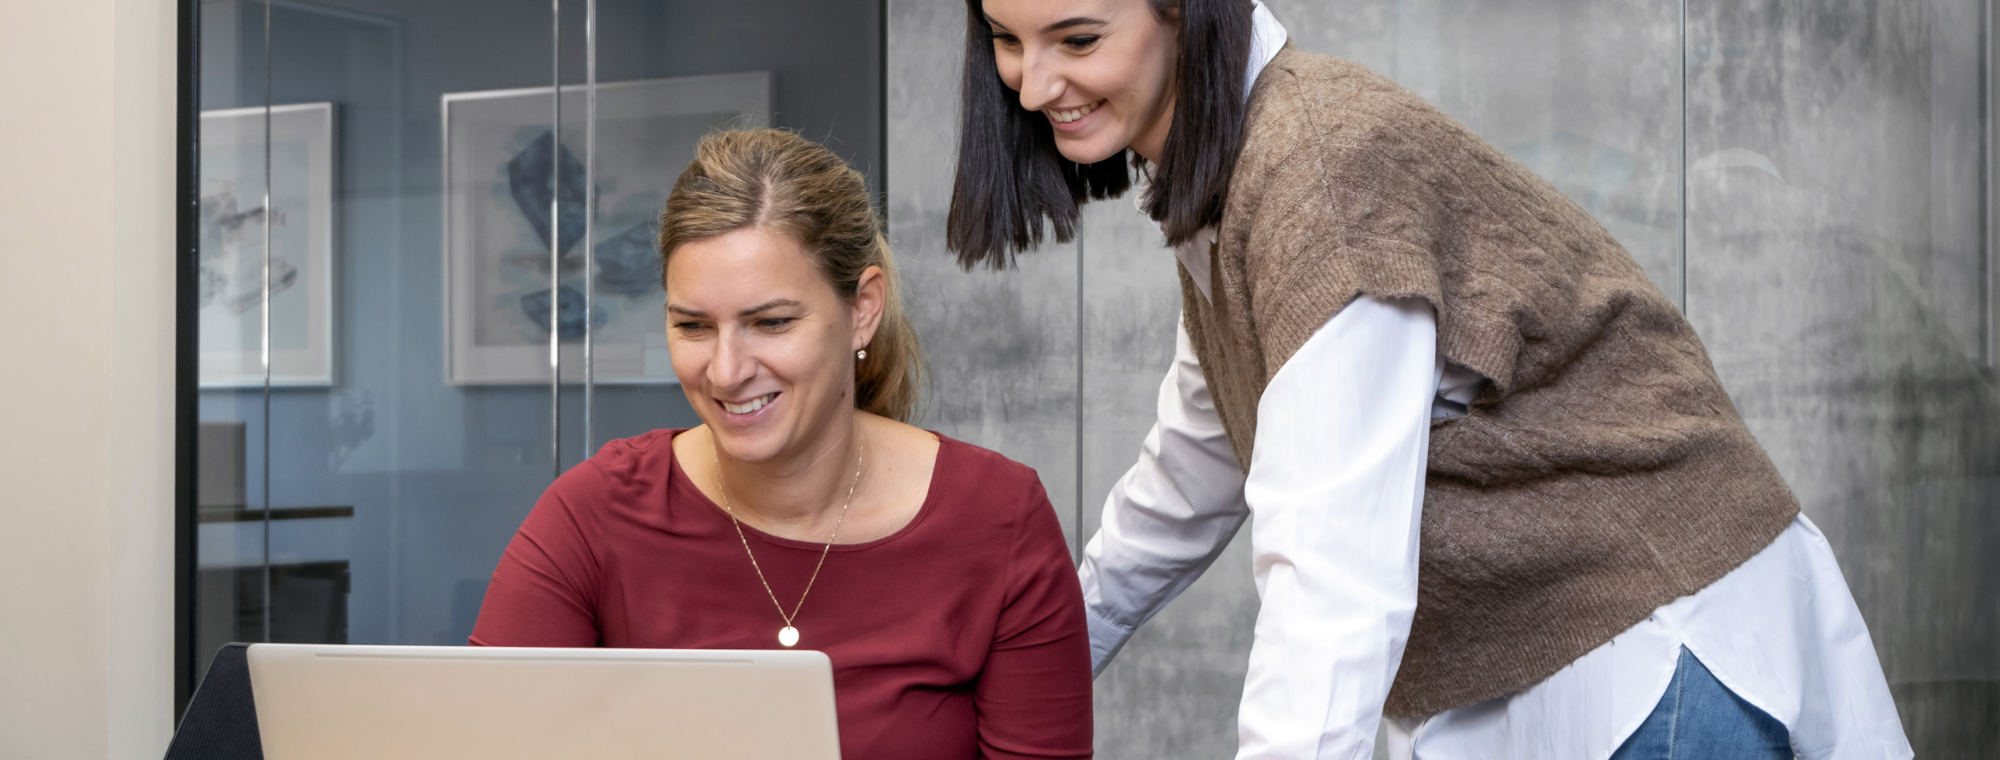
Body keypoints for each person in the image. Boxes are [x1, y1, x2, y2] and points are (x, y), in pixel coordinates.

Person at [948, 1, 1912, 758]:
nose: (1035, 86)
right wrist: (1014, 670)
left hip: (1647, 649)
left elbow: (1332, 580)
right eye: (1005, 39)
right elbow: (1190, 480)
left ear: (1186, 12)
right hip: (1559, 665)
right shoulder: (1232, 184)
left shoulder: (1320, 173)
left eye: (1076, 39)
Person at [472, 129, 1093, 760]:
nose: (726, 370)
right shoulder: (592, 514)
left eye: (770, 323)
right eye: (692, 326)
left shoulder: (997, 516)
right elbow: (482, 742)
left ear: (863, 309)